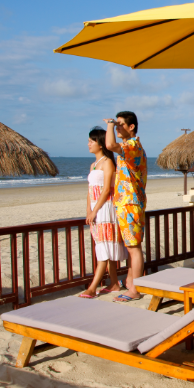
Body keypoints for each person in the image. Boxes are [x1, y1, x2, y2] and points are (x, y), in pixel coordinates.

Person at [104, 111, 147, 302]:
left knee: (134, 248)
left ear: (131, 127)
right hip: (128, 202)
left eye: (120, 124)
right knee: (132, 247)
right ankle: (131, 282)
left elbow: (109, 145)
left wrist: (109, 124)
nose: (117, 128)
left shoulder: (132, 146)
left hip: (130, 203)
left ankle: (135, 289)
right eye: (116, 125)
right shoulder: (130, 146)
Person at [80, 127, 125, 298]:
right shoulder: (94, 165)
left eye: (91, 141)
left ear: (100, 144)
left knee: (104, 247)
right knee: (104, 245)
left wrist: (95, 211)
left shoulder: (107, 163)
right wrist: (89, 210)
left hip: (105, 208)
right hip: (96, 208)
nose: (88, 144)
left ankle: (92, 288)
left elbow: (106, 190)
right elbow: (90, 190)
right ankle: (114, 284)